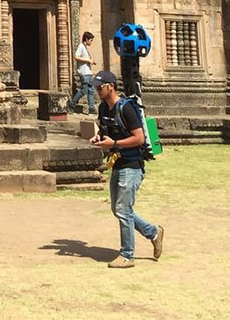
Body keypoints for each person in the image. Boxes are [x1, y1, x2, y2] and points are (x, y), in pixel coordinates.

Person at [91, 69, 164, 269]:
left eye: (100, 86)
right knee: (119, 209)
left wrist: (114, 143)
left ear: (111, 86)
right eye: (96, 86)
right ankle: (154, 232)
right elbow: (106, 132)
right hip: (118, 163)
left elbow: (139, 138)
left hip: (132, 165)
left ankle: (127, 255)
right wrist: (99, 139)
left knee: (123, 210)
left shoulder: (127, 108)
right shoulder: (104, 108)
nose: (97, 89)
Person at [67, 31, 96, 114]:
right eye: (90, 40)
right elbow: (76, 57)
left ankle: (91, 108)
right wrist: (88, 60)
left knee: (91, 90)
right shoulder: (81, 46)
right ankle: (71, 104)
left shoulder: (85, 47)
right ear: (86, 39)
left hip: (88, 72)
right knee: (84, 90)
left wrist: (91, 61)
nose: (91, 42)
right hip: (84, 73)